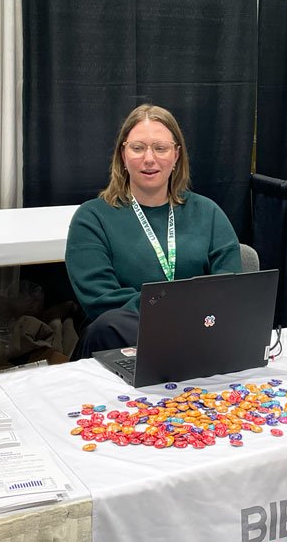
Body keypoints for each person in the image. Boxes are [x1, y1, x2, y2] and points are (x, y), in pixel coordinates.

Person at [66, 104, 242, 356]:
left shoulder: (208, 213)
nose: (149, 159)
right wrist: (176, 311)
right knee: (109, 324)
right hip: (127, 343)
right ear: (123, 155)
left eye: (160, 148)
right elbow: (101, 301)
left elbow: (230, 286)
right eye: (138, 148)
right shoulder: (92, 218)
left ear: (176, 155)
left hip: (201, 338)